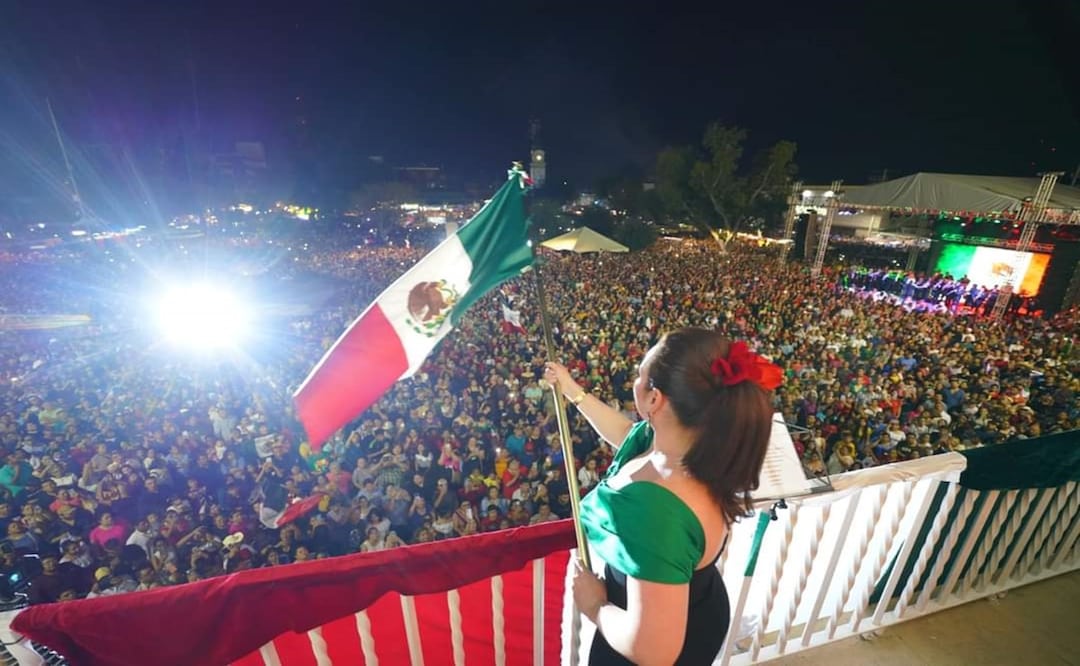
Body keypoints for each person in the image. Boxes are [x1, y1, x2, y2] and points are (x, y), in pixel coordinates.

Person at [544, 328, 778, 665]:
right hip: (692, 604)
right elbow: (627, 435)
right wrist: (573, 392)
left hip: (644, 633)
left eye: (640, 375)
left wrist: (595, 605)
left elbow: (653, 652)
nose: (635, 381)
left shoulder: (653, 507)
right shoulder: (697, 446)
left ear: (655, 399)